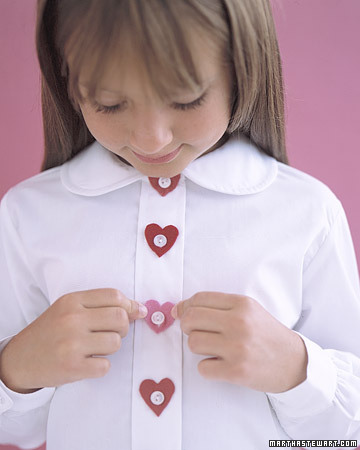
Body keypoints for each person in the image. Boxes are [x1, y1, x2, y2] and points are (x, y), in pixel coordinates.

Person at [0, 0, 359, 449]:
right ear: (67, 81)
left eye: (186, 98)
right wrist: (15, 370)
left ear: (243, 67)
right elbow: (17, 431)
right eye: (110, 104)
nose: (153, 138)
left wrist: (297, 369)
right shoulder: (26, 216)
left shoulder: (308, 212)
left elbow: (346, 432)